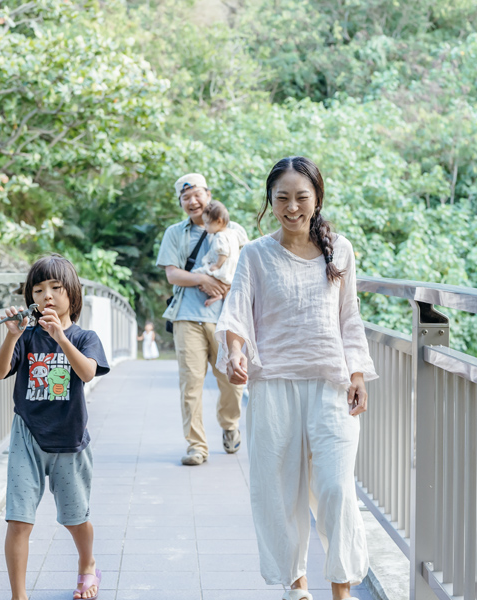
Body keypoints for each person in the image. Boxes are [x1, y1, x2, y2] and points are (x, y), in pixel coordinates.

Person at [215, 156, 378, 600]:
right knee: (279, 490)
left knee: (335, 488)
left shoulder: (339, 249)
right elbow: (236, 314)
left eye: (301, 197)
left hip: (331, 384)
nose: (292, 207)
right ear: (270, 202)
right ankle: (297, 584)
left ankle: (341, 589)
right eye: (282, 198)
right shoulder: (255, 254)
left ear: (317, 199)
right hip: (274, 387)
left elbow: (350, 318)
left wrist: (358, 374)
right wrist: (234, 353)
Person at [0, 254, 110, 600]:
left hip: (69, 440)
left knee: (75, 517)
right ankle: (19, 595)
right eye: (38, 290)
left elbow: (87, 372)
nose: (47, 296)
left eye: (56, 288)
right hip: (27, 434)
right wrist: (13, 336)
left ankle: (87, 564)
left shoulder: (85, 336)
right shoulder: (26, 337)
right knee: (18, 519)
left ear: (72, 293)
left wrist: (60, 337)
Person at [156, 173, 249, 466]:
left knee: (232, 382)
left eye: (197, 194)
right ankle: (197, 446)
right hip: (188, 317)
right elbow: (172, 274)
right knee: (191, 385)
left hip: (226, 321)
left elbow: (248, 272)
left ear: (208, 195)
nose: (193, 201)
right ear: (181, 202)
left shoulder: (234, 230)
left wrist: (226, 286)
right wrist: (205, 280)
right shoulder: (175, 233)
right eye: (186, 197)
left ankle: (230, 423)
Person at [194, 200, 242, 307]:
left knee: (200, 273)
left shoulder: (220, 236)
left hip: (223, 268)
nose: (205, 226)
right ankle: (221, 297)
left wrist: (216, 265)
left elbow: (223, 253)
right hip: (232, 269)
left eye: (207, 223)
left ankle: (215, 295)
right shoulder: (233, 233)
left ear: (219, 221)